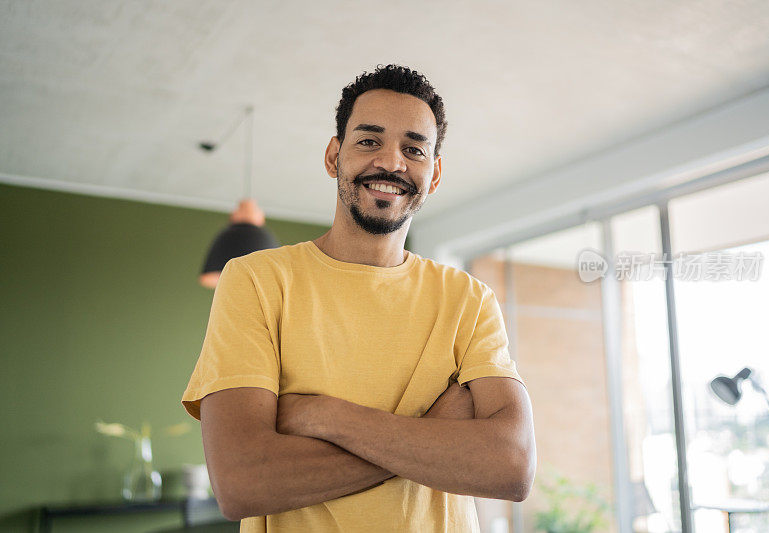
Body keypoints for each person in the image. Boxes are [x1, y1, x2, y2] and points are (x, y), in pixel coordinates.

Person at [181, 64, 536, 533]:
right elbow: (242, 482)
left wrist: (322, 415)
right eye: (369, 140)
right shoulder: (256, 280)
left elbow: (509, 466)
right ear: (334, 156)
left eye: (414, 149)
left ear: (434, 175)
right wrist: (434, 430)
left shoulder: (468, 298)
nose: (391, 162)